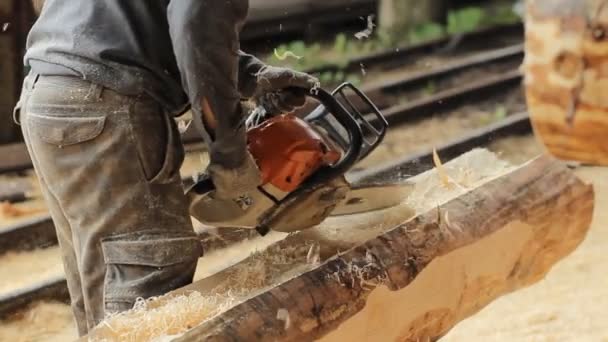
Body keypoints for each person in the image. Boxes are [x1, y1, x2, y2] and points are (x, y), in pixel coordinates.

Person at [13, 0, 318, 336]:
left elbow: (157, 22)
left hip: (50, 93)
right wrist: (230, 158)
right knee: (150, 274)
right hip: (104, 104)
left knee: (102, 274)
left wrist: (248, 75)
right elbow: (193, 29)